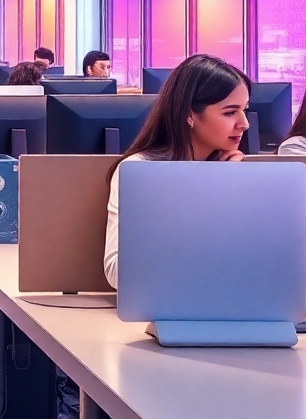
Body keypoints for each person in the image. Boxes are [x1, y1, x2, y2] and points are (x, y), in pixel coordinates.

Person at [103, 54, 250, 288]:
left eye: (244, 110)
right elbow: (118, 272)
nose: (244, 124)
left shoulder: (239, 170)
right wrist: (214, 192)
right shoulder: (140, 172)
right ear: (190, 114)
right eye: (230, 112)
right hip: (162, 310)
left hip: (231, 302)